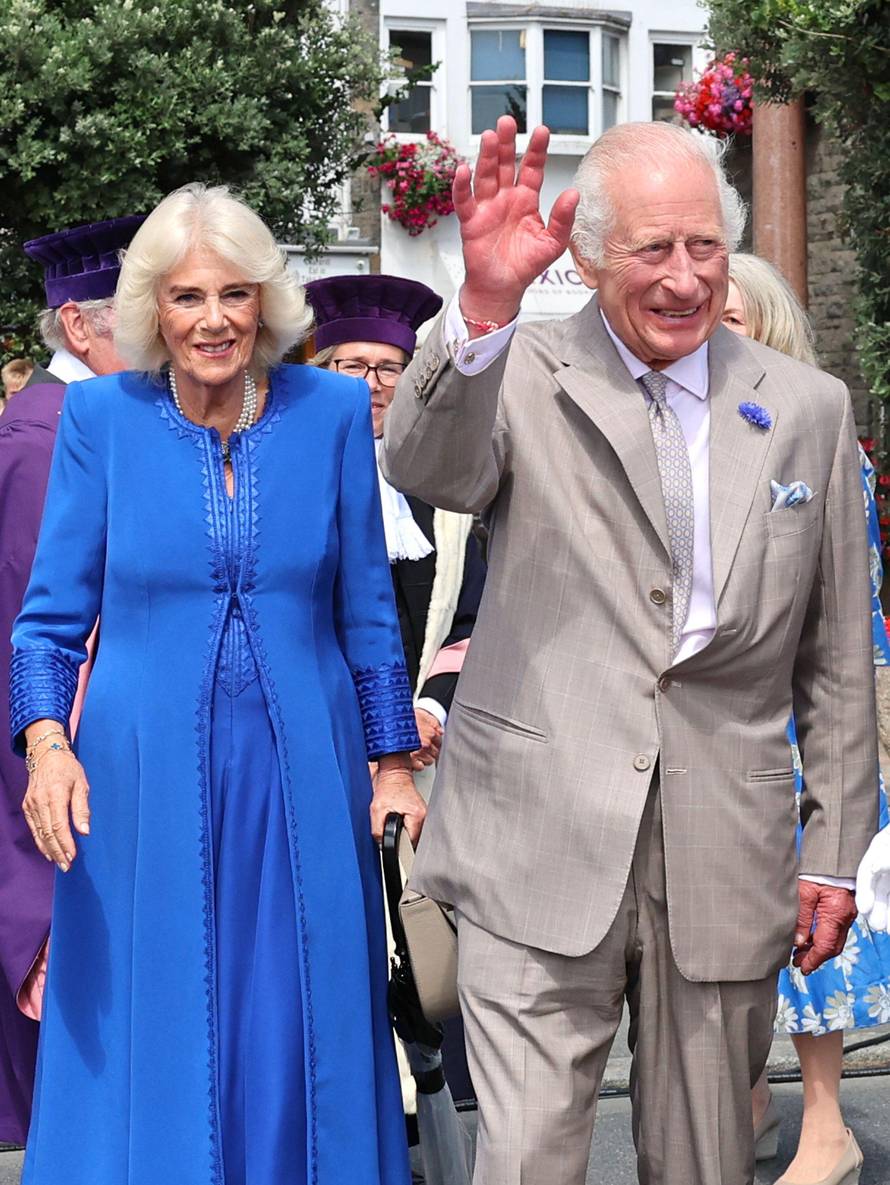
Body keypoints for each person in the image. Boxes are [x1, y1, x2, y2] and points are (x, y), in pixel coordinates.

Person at [382, 117, 878, 1185]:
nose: (684, 277)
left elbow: (834, 658)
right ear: (590, 257)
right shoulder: (519, 367)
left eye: (702, 246)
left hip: (726, 845)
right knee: (523, 1160)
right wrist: (480, 312)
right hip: (534, 838)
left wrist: (833, 848)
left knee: (703, 1160)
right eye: (652, 250)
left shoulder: (805, 409)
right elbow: (425, 466)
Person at [9, 182, 426, 1185]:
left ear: (265, 304)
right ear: (154, 307)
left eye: (234, 295)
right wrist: (45, 746)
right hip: (137, 770)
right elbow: (48, 620)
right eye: (189, 297)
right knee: (155, 1004)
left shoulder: (328, 410)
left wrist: (393, 767)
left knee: (303, 1008)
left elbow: (366, 611)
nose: (213, 320)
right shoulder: (101, 417)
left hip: (305, 774)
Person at [723, 252, 884, 1185]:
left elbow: (849, 613)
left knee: (811, 917)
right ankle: (745, 1098)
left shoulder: (822, 436)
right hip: (715, 722)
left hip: (804, 719)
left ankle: (827, 1123)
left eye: (736, 319)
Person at [0, 216, 142, 1148]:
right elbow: (50, 653)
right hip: (56, 813)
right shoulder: (53, 444)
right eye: (143, 311)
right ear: (81, 328)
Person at [305, 274, 486, 780]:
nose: (374, 384)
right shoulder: (289, 483)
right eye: (354, 366)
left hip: (428, 750)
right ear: (322, 373)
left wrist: (428, 710)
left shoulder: (443, 492)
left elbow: (475, 616)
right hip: (319, 739)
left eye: (390, 369)